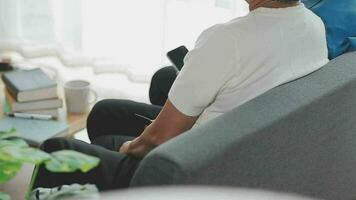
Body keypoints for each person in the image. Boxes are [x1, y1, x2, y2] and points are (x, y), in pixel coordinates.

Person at [33, 0, 328, 191]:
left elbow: (157, 139)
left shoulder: (228, 38)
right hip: (244, 146)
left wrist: (124, 150)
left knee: (56, 150)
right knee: (103, 112)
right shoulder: (312, 25)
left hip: (196, 168)